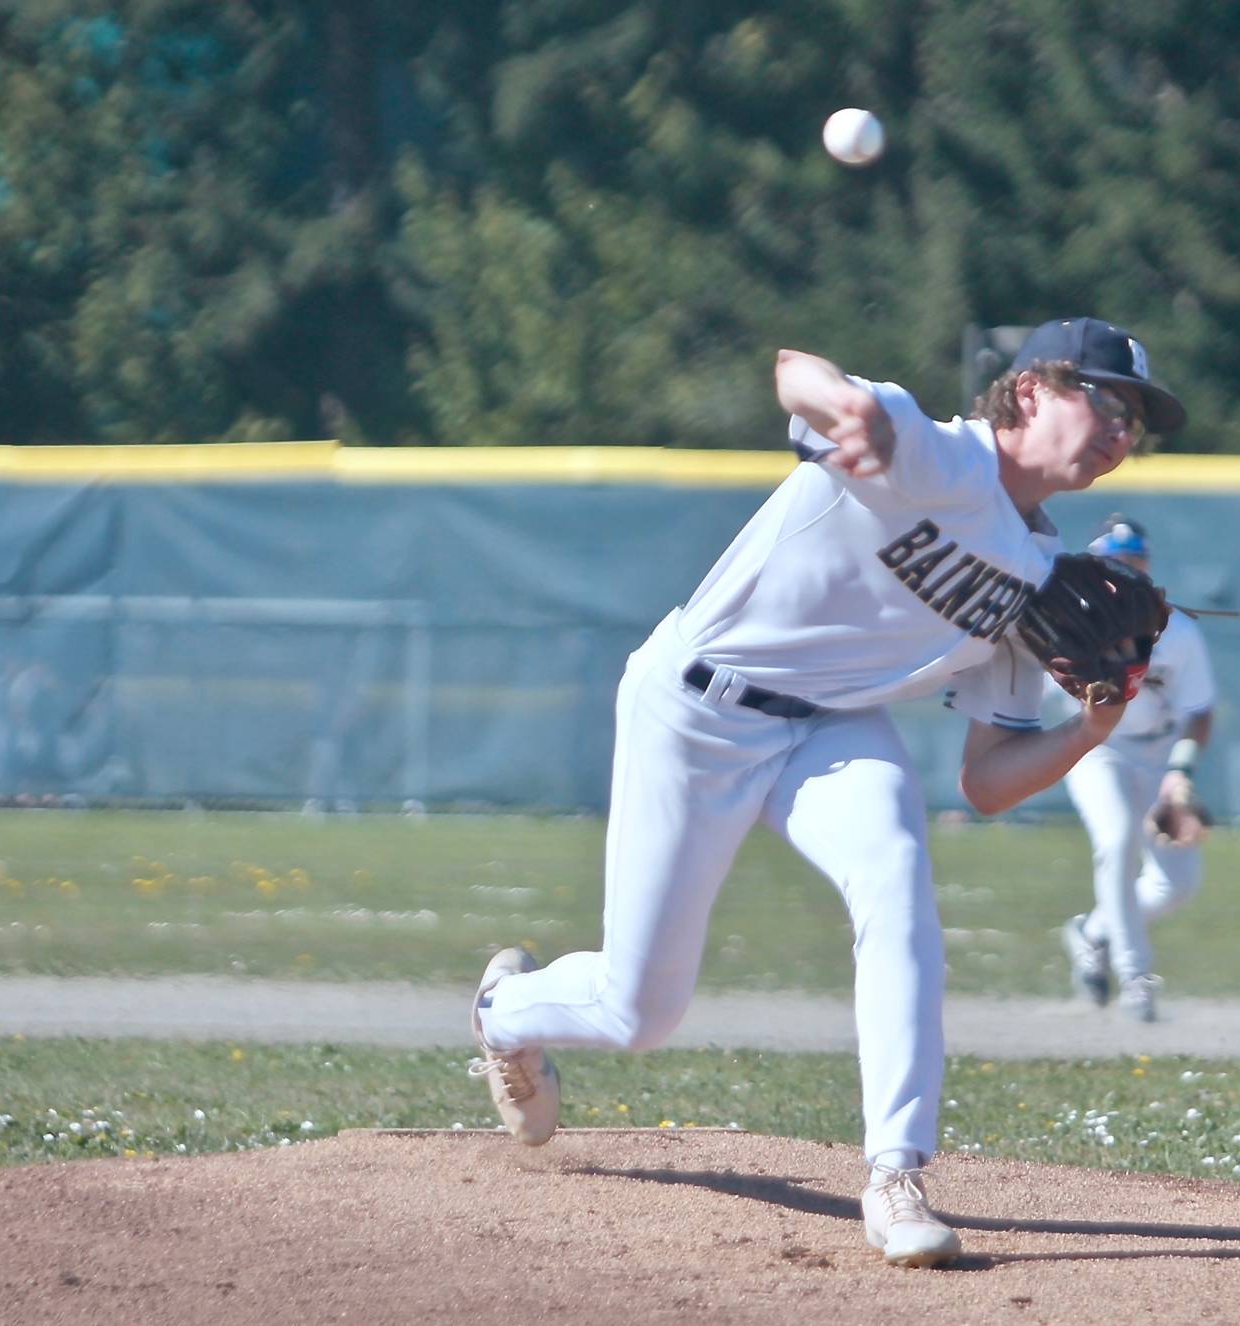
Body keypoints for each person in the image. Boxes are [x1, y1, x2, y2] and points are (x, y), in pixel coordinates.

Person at [468, 316, 1185, 1268]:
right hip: (695, 709)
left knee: (895, 870)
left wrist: (1091, 728)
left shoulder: (1044, 580)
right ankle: (503, 1015)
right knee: (642, 1013)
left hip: (831, 727)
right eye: (1104, 400)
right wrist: (849, 410)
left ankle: (896, 1173)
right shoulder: (935, 456)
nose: (1121, 430)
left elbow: (986, 783)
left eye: (1135, 418)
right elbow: (791, 372)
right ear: (1026, 392)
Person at [1051, 516, 1216, 1023]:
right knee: (1118, 841)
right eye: (1113, 563)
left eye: (1133, 562)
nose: (1123, 572)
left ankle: (1093, 932)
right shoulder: (1070, 625)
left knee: (1176, 882)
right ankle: (1135, 976)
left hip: (1160, 751)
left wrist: (1180, 772)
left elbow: (1200, 710)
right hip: (1097, 748)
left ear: (1146, 567)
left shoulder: (1178, 631)